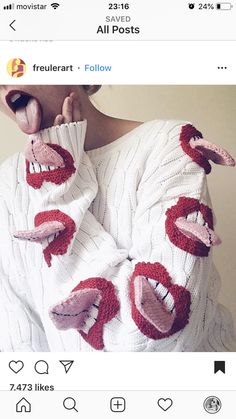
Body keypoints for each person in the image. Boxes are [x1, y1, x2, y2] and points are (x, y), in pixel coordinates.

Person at [0, 85, 235, 352]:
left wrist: (60, 188)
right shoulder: (8, 182)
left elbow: (161, 330)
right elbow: (17, 342)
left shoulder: (165, 144)